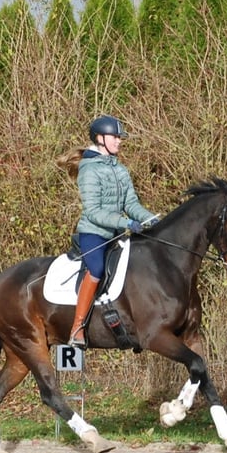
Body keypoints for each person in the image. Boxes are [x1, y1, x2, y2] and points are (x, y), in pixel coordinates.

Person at [58, 115, 158, 348]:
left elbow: (131, 204)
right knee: (97, 269)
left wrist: (152, 219)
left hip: (117, 234)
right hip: (94, 233)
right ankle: (77, 328)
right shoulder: (89, 170)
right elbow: (93, 211)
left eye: (119, 137)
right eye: (115, 137)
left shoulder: (120, 170)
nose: (119, 141)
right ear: (101, 139)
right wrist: (125, 223)